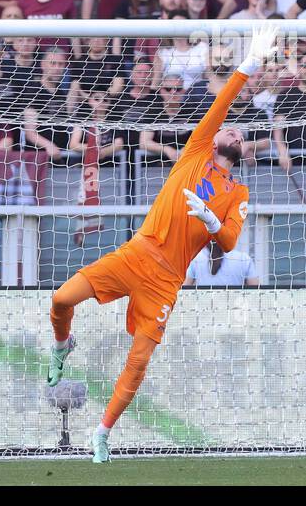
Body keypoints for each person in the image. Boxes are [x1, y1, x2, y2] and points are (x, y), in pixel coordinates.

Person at [46, 25, 280, 463]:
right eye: (230, 131)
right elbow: (221, 103)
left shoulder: (239, 193)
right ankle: (62, 346)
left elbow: (229, 242)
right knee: (61, 299)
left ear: (243, 153)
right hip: (137, 253)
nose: (234, 133)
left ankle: (102, 432)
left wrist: (211, 219)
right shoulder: (196, 152)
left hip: (168, 279)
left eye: (241, 135)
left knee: (138, 360)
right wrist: (248, 64)